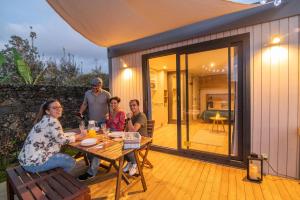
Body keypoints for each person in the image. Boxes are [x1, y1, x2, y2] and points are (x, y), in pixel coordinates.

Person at [18, 99, 85, 173]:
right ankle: (60, 180)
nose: (59, 109)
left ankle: (56, 174)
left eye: (59, 107)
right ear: (47, 111)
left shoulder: (45, 119)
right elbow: (62, 141)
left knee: (62, 159)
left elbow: (56, 136)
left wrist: (71, 135)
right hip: (34, 164)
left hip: (25, 160)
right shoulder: (53, 121)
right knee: (71, 161)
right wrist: (78, 136)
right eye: (54, 108)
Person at [78, 77, 111, 181]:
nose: (94, 88)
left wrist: (111, 115)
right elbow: (84, 104)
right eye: (92, 86)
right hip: (92, 123)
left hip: (103, 123)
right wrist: (80, 112)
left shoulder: (106, 94)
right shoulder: (88, 93)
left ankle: (92, 171)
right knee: (89, 143)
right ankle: (93, 164)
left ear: (100, 85)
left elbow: (111, 106)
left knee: (98, 146)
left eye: (96, 86)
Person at [123, 99, 147, 176]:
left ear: (138, 106)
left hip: (142, 140)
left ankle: (134, 163)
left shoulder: (141, 116)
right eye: (130, 105)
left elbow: (133, 130)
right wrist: (129, 120)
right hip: (133, 138)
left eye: (134, 105)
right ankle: (130, 162)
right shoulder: (132, 116)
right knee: (120, 144)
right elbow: (127, 130)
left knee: (126, 147)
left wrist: (129, 119)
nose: (132, 107)